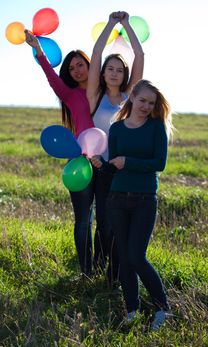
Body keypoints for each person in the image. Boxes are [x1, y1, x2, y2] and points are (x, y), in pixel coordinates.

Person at [91, 79, 173, 330]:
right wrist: (101, 165)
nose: (146, 106)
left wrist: (129, 162)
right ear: (132, 98)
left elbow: (159, 164)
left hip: (144, 200)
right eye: (142, 101)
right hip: (116, 199)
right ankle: (132, 309)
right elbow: (113, 168)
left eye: (151, 103)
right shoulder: (116, 129)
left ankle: (163, 309)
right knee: (125, 258)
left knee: (137, 256)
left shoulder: (157, 128)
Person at [24, 30, 94, 276]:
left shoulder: (107, 92)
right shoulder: (70, 94)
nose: (76, 70)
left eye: (81, 65)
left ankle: (106, 268)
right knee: (83, 220)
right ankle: (87, 271)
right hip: (79, 163)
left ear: (90, 65)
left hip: (105, 162)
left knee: (107, 223)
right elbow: (51, 76)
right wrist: (38, 50)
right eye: (72, 67)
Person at [87, 11, 144, 284]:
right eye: (110, 69)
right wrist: (110, 25)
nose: (114, 73)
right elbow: (96, 54)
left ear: (125, 75)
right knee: (104, 223)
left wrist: (127, 25)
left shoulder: (129, 97)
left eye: (119, 70)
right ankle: (99, 268)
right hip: (98, 166)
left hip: (121, 168)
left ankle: (115, 274)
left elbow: (140, 57)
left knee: (119, 224)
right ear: (103, 73)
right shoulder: (95, 95)